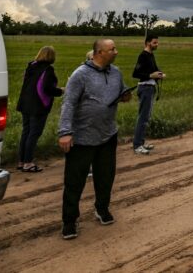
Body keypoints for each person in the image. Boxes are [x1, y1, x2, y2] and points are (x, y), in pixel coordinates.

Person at [57, 38, 131, 240]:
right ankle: (70, 221)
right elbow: (69, 104)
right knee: (74, 182)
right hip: (81, 138)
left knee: (105, 177)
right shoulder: (80, 75)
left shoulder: (115, 72)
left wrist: (125, 95)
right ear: (99, 52)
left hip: (107, 135)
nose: (116, 51)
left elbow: (121, 91)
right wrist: (65, 132)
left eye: (115, 48)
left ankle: (102, 209)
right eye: (112, 49)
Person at [16, 45, 63, 172]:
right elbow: (48, 89)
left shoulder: (31, 66)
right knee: (34, 134)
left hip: (25, 104)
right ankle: (28, 163)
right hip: (38, 106)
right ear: (51, 56)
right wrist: (61, 91)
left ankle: (21, 161)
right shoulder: (48, 70)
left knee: (26, 132)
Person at [132, 34, 165, 155]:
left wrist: (160, 74)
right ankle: (137, 145)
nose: (157, 45)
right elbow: (136, 73)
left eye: (157, 42)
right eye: (154, 43)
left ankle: (140, 142)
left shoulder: (151, 55)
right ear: (147, 43)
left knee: (146, 117)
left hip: (150, 88)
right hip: (145, 88)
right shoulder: (143, 55)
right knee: (143, 117)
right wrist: (151, 76)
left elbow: (154, 70)